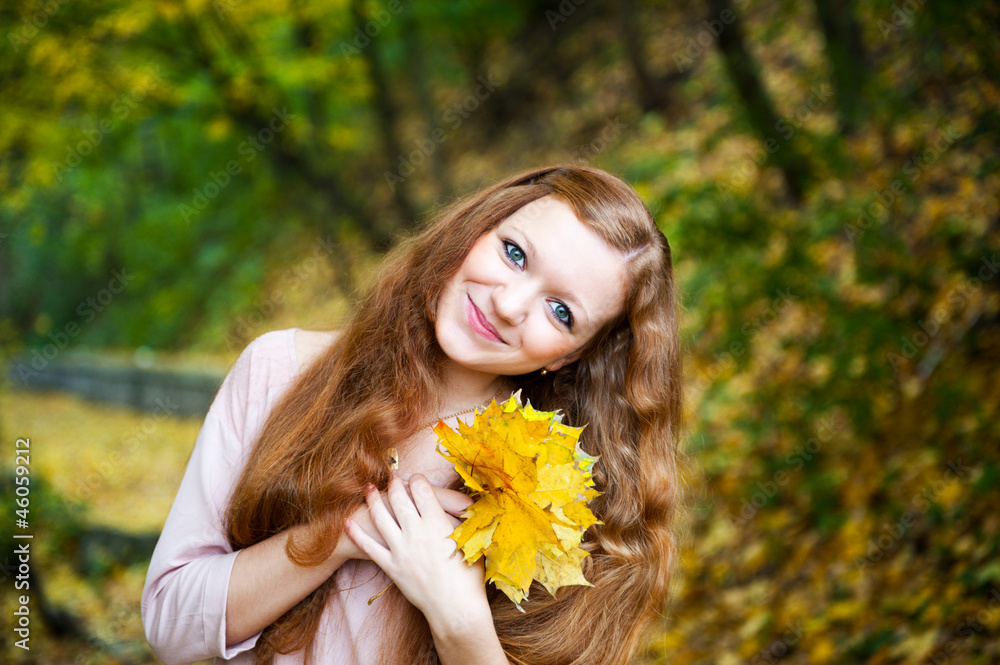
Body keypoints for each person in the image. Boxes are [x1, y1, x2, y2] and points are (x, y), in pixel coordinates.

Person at [141, 164, 684, 665]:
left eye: (561, 312)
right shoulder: (280, 371)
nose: (509, 305)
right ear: (476, 229)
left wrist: (459, 620)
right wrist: (342, 535)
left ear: (568, 355)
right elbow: (170, 623)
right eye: (515, 254)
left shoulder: (568, 503)